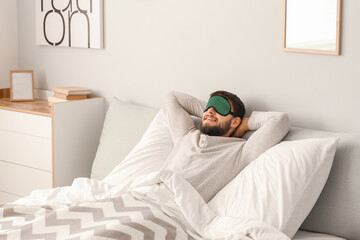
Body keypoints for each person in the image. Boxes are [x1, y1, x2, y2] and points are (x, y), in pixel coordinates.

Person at [161, 90, 290, 202]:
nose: (210, 110)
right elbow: (172, 97)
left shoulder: (241, 153)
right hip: (148, 193)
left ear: (235, 121)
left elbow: (280, 119)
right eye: (209, 107)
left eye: (221, 107)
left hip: (174, 210)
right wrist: (211, 115)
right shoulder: (186, 134)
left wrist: (244, 124)